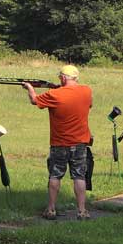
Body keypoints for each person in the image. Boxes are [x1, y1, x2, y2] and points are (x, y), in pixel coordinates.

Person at [22, 65, 93, 220]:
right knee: (79, 177)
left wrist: (29, 88)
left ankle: (51, 209)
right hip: (80, 143)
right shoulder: (87, 91)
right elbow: (86, 104)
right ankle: (81, 211)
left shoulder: (54, 94)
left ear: (62, 78)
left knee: (55, 175)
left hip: (59, 144)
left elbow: (35, 101)